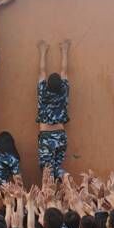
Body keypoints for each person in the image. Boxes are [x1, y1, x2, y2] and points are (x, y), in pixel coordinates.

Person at [36, 39, 71, 180]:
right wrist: (65, 50)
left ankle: (53, 191)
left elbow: (42, 71)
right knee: (57, 168)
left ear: (48, 84)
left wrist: (42, 51)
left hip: (46, 136)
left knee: (47, 171)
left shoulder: (43, 92)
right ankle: (66, 178)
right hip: (61, 135)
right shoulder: (64, 91)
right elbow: (64, 71)